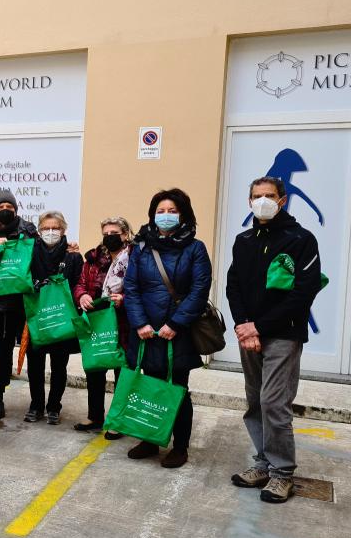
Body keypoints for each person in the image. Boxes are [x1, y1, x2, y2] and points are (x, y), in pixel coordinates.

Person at [227, 177, 322, 503]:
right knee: (255, 401)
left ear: (282, 200)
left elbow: (302, 293)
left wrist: (259, 327)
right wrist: (243, 324)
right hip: (249, 333)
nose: (263, 201)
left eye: (269, 196)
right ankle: (263, 464)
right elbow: (233, 285)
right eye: (257, 196)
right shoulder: (244, 239)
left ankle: (282, 474)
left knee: (273, 403)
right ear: (249, 200)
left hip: (283, 333)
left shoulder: (301, 240)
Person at [124, 188, 211, 469]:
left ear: (183, 214)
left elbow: (199, 290)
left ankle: (180, 446)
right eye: (160, 211)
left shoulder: (195, 248)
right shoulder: (141, 248)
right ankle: (150, 439)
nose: (165, 216)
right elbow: (132, 287)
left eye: (172, 211)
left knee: (178, 389)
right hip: (147, 332)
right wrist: (139, 323)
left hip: (178, 332)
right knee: (150, 385)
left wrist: (176, 323)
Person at [0, 189, 39, 419]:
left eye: (9, 207)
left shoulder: (28, 231)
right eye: (0, 207)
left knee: (4, 351)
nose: (5, 210)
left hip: (13, 302)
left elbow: (38, 257)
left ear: (16, 209)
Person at [72, 217, 133, 439]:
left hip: (125, 324)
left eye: (114, 232)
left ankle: (118, 421)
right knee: (95, 368)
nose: (110, 236)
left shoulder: (135, 258)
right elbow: (80, 283)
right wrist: (83, 296)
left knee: (122, 374)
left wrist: (124, 299)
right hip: (98, 321)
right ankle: (95, 416)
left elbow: (144, 289)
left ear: (125, 234)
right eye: (106, 232)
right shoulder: (94, 258)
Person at [27, 211, 83, 425]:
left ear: (63, 230)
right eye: (46, 228)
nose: (50, 232)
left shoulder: (73, 256)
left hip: (61, 320)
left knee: (59, 365)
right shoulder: (30, 253)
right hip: (37, 318)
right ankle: (36, 405)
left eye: (55, 228)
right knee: (35, 365)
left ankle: (54, 407)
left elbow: (79, 284)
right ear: (39, 231)